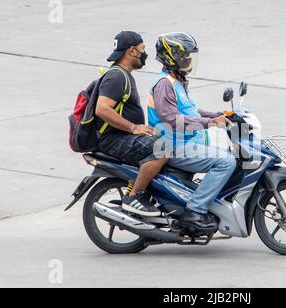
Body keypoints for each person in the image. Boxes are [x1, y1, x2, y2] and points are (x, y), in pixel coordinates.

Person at [148, 32, 237, 232]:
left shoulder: (177, 81)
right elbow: (171, 120)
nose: (188, 60)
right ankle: (195, 210)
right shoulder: (164, 84)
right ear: (172, 57)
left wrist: (218, 114)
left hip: (187, 143)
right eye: (185, 56)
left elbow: (191, 111)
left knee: (228, 157)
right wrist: (210, 122)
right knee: (226, 162)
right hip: (173, 147)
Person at [96, 31, 167, 217]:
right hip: (114, 140)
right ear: (132, 51)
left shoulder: (124, 75)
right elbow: (102, 109)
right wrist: (133, 128)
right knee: (164, 148)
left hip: (122, 136)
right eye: (142, 49)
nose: (145, 54)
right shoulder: (117, 77)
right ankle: (135, 197)